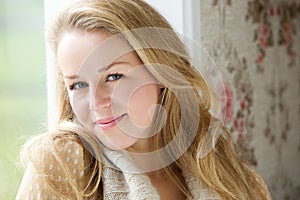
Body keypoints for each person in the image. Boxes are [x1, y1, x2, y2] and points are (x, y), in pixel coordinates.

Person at [16, 0, 271, 199]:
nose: (96, 103)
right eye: (78, 84)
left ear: (161, 70)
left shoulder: (228, 172)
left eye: (114, 76)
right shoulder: (61, 163)